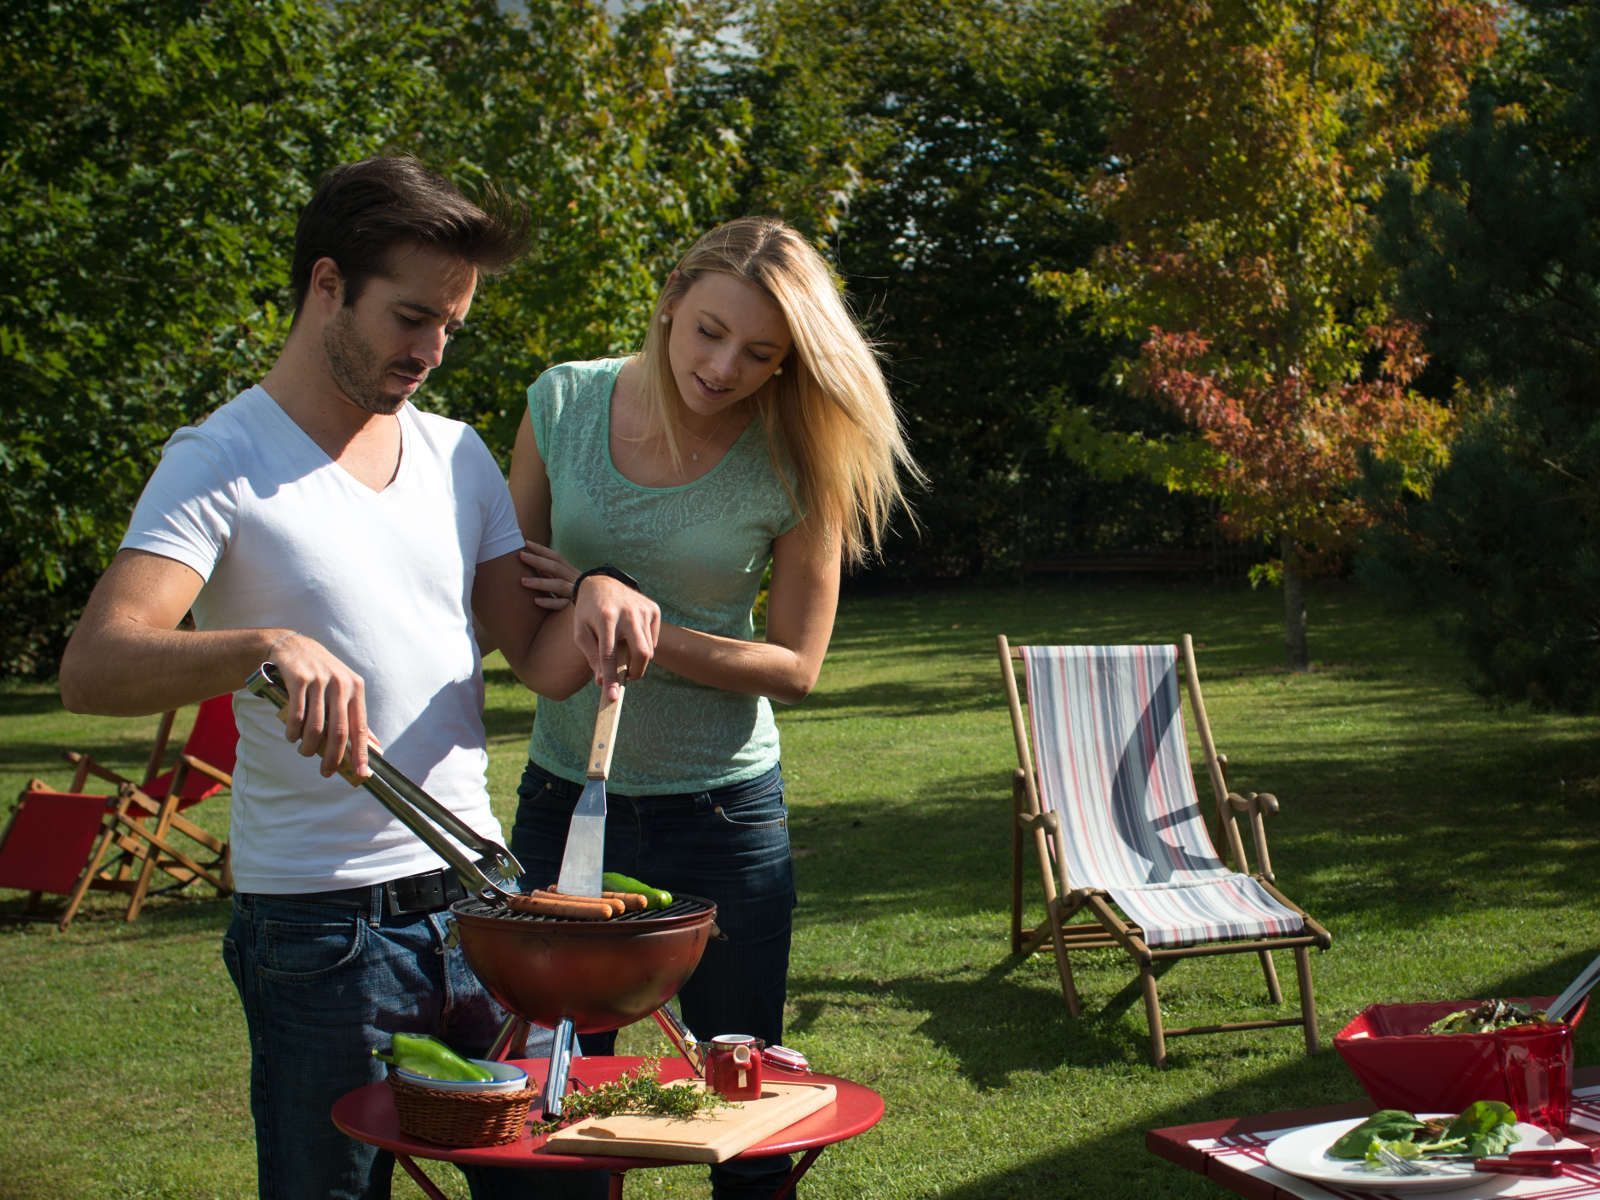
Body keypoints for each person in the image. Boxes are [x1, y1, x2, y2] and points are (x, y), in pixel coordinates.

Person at [57, 155, 659, 1200]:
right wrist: (260, 645)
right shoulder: (219, 458)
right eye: (411, 317)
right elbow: (94, 666)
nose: (430, 350)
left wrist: (604, 590)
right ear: (328, 284)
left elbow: (541, 660)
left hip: (485, 904)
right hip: (320, 932)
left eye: (450, 328)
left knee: (562, 1180)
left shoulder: (455, 455)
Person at [507, 216, 921, 1200]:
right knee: (550, 1102)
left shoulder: (794, 455)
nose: (724, 366)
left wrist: (638, 619)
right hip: (566, 801)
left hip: (723, 820)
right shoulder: (561, 402)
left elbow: (795, 665)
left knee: (745, 1110)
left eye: (760, 353)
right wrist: (592, 591)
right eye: (707, 331)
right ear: (669, 301)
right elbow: (528, 640)